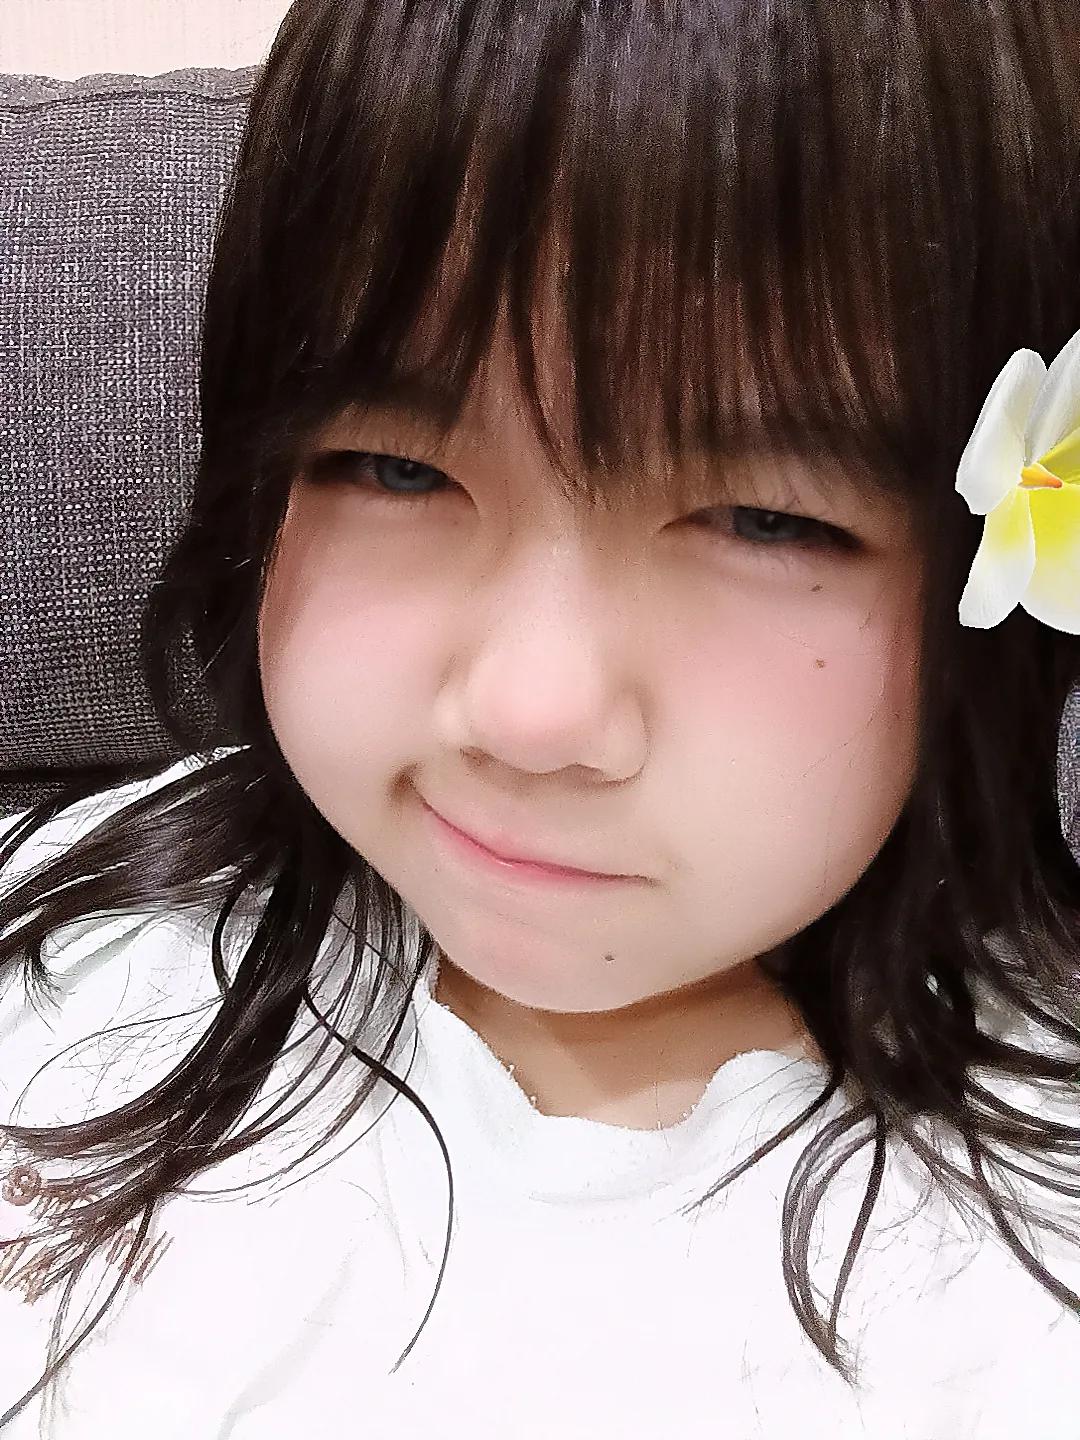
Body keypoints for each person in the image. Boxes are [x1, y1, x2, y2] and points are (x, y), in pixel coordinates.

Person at [2, 0, 1080, 1434]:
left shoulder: (1015, 1309)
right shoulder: (70, 949)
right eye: (396, 468)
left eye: (766, 519)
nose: (529, 712)